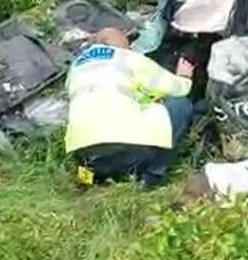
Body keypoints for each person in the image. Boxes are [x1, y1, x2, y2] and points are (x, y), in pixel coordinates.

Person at [65, 28, 196, 187]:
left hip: (86, 158)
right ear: (122, 45)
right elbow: (177, 89)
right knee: (180, 105)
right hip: (127, 152)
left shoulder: (76, 67)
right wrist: (184, 77)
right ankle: (150, 177)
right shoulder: (127, 58)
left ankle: (86, 181)